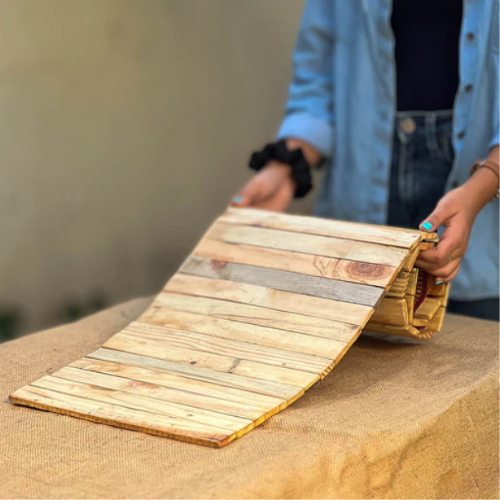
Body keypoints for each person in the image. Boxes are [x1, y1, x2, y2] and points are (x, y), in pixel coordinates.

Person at [231, 0, 500, 321]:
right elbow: (316, 85)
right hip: (356, 216)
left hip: (484, 233)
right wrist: (285, 169)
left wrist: (481, 187)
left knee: (473, 365)